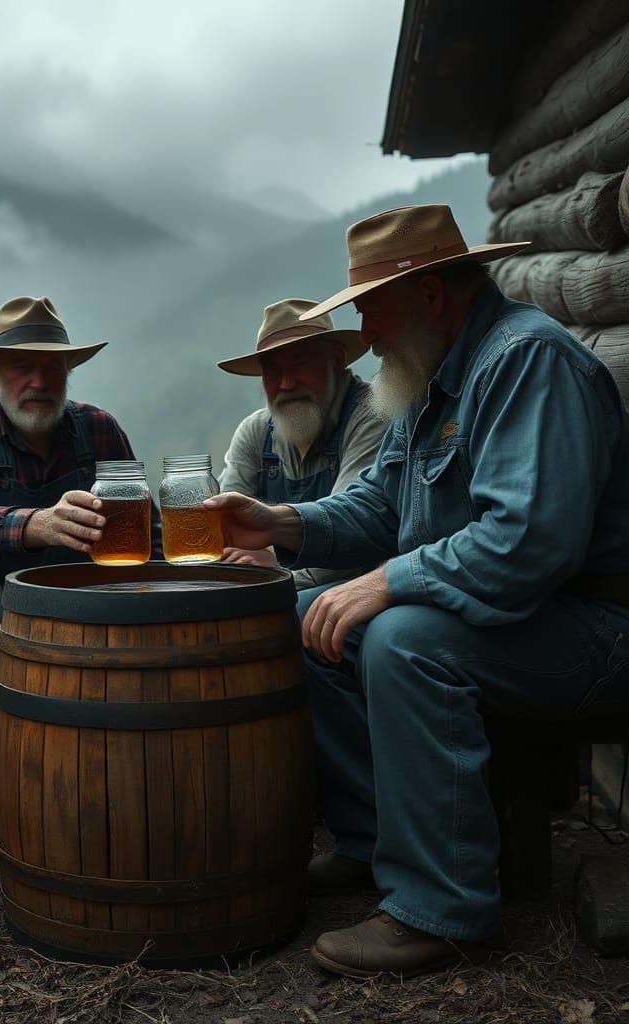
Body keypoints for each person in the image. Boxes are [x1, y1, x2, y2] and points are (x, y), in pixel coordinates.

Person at [206, 204, 629, 978]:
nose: (364, 334)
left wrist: (387, 582)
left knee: (404, 641)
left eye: (370, 310)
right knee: (302, 616)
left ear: (429, 296)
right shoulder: (431, 377)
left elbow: (527, 543)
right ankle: (372, 841)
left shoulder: (525, 360)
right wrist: (279, 522)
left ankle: (443, 910)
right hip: (524, 620)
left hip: (595, 629)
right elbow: (380, 506)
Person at [0, 295, 162, 828]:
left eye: (52, 367)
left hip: (86, 584)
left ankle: (117, 769)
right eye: (22, 367)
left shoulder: (98, 429)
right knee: (0, 631)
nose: (39, 380)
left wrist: (162, 583)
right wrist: (34, 524)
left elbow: (142, 525)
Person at [217, 297, 385, 585]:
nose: (286, 383)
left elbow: (351, 536)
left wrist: (275, 570)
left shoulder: (371, 416)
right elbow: (224, 534)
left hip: (361, 592)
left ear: (337, 360)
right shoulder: (256, 432)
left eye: (300, 364)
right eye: (273, 371)